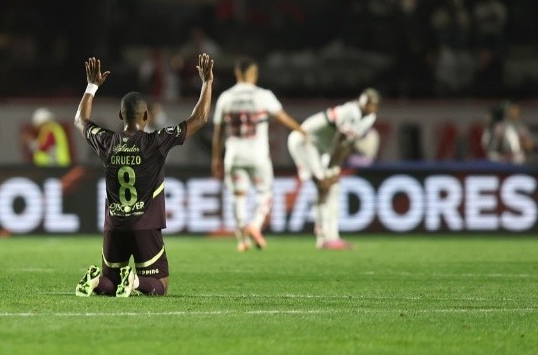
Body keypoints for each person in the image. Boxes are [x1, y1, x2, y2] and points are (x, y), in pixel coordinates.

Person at [74, 54, 214, 297]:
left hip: (114, 226)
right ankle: (137, 282)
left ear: (120, 116)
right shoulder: (155, 142)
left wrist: (92, 86)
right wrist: (207, 82)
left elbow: (80, 119)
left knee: (110, 281)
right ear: (147, 117)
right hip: (145, 226)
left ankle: (95, 281)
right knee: (161, 284)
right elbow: (200, 118)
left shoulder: (107, 141)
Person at [211, 58, 307, 252]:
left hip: (234, 155)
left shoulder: (226, 97)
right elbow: (283, 118)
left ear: (237, 74)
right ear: (254, 74)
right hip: (258, 155)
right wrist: (301, 131)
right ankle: (255, 225)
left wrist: (216, 158)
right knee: (265, 193)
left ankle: (242, 240)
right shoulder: (263, 95)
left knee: (238, 196)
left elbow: (218, 132)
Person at [287, 88, 380, 250]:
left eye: (371, 105)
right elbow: (340, 140)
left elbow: (347, 144)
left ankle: (330, 236)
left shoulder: (369, 118)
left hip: (320, 149)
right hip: (305, 142)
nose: (367, 107)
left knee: (333, 187)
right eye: (365, 103)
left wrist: (334, 170)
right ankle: (323, 235)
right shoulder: (351, 112)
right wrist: (332, 169)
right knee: (324, 184)